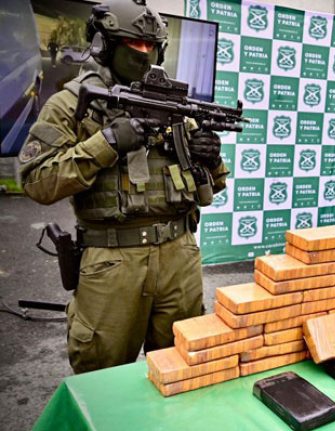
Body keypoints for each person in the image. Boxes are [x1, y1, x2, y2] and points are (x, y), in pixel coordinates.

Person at [17, 0, 228, 374]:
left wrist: (209, 158)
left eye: (151, 46)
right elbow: (37, 182)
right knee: (102, 374)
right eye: (134, 44)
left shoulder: (175, 107)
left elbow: (216, 185)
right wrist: (107, 143)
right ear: (104, 45)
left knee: (184, 368)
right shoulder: (71, 105)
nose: (143, 54)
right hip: (112, 260)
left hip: (180, 256)